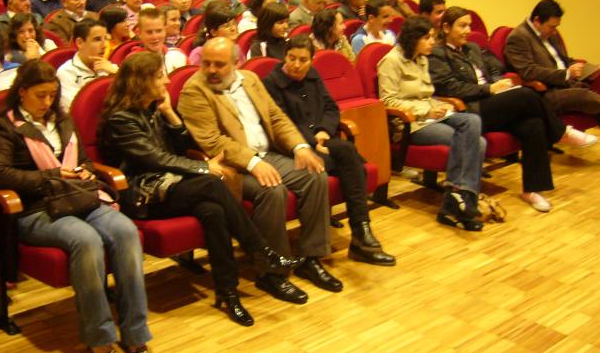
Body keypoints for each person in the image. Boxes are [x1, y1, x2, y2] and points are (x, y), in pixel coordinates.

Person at [99, 51, 301, 326]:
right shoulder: (121, 119)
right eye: (159, 76)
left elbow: (183, 148)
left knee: (213, 211)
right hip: (143, 194)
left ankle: (228, 293)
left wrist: (170, 114)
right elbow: (155, 159)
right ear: (141, 81)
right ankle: (260, 249)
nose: (166, 81)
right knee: (212, 182)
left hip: (171, 185)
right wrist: (205, 167)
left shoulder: (152, 109)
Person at [0, 60, 151, 353]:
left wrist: (86, 171)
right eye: (40, 95)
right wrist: (52, 176)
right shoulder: (5, 127)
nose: (47, 102)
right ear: (22, 92)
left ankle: (135, 330)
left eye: (52, 95)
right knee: (86, 240)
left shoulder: (63, 120)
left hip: (79, 198)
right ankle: (99, 336)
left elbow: (84, 161)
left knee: (126, 230)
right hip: (37, 209)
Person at [179, 37, 341, 304]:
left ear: (236, 62)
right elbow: (212, 141)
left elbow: (276, 118)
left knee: (314, 176)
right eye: (206, 63)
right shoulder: (194, 90)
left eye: (219, 64)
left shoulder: (251, 79)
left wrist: (300, 146)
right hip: (232, 167)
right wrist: (253, 163)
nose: (211, 70)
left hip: (268, 154)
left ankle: (310, 258)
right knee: (272, 190)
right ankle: (271, 273)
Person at [430, 7, 597, 211]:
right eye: (462, 26)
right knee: (526, 94)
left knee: (533, 124)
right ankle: (561, 132)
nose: (468, 30)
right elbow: (449, 88)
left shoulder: (472, 48)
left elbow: (496, 68)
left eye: (469, 26)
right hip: (471, 110)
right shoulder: (438, 53)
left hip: (493, 102)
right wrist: (489, 88)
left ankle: (533, 190)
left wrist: (500, 83)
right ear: (446, 28)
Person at [263, 35, 396, 265]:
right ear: (284, 56)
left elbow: (331, 108)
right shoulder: (271, 83)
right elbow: (281, 124)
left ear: (311, 60)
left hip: (322, 141)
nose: (296, 65)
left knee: (346, 151)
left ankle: (362, 231)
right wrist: (311, 143)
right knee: (353, 165)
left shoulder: (313, 76)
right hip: (293, 148)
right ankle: (361, 237)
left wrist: (324, 131)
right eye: (291, 58)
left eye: (303, 60)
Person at [378, 17, 486, 231]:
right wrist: (427, 111)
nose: (432, 43)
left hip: (432, 115)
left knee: (473, 121)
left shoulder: (422, 59)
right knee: (477, 143)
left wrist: (440, 105)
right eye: (427, 38)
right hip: (410, 124)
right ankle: (462, 202)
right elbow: (387, 101)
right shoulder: (391, 61)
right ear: (413, 38)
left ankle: (456, 199)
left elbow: (426, 95)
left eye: (433, 38)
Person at [505, 0, 600, 144]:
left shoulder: (550, 35)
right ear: (537, 21)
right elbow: (527, 71)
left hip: (566, 86)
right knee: (586, 97)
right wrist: (566, 74)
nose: (554, 31)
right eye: (551, 27)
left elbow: (564, 60)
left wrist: (585, 70)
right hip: (545, 92)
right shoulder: (518, 37)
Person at [57, 18, 119, 112]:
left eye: (106, 39)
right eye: (97, 39)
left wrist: (116, 73)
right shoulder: (66, 72)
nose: (104, 45)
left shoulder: (109, 67)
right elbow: (74, 109)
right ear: (80, 43)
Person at [131, 8, 187, 74]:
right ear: (139, 33)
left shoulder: (178, 55)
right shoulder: (133, 63)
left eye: (159, 31)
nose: (155, 37)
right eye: (149, 32)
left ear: (165, 30)